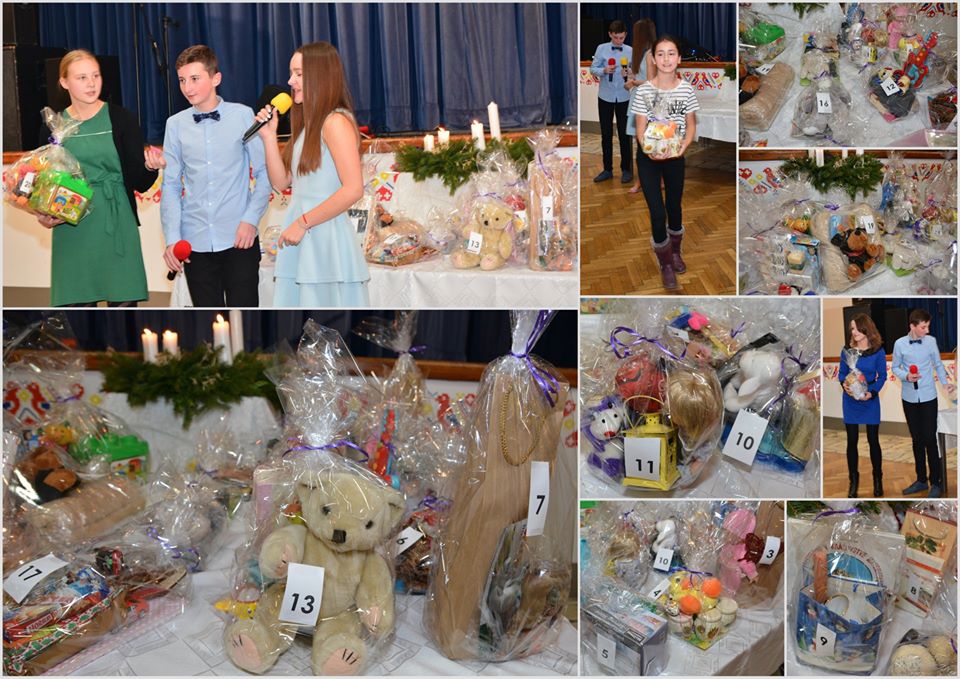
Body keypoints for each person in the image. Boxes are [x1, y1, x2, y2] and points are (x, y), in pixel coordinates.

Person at [36, 50, 159, 306]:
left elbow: (140, 181)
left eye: (96, 75)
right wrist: (43, 212)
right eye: (82, 77)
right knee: (78, 307)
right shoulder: (53, 125)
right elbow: (45, 182)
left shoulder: (122, 118)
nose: (91, 83)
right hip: (72, 223)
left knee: (124, 303)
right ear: (64, 82)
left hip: (117, 220)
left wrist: (150, 167)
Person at [254, 41, 369, 307]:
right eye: (291, 73)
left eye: (298, 74)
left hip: (324, 238)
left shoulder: (335, 122)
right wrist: (269, 137)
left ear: (320, 76)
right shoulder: (308, 126)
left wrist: (303, 222)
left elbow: (353, 188)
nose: (290, 81)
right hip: (304, 235)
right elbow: (281, 182)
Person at [157, 45, 271, 307]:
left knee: (245, 316)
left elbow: (264, 173)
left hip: (239, 239)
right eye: (182, 80)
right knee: (206, 321)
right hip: (194, 243)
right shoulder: (174, 125)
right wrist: (173, 238)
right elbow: (171, 186)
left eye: (195, 78)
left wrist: (250, 220)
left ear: (216, 78)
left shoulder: (243, 115)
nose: (187, 88)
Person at [629, 35, 699, 290]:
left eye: (671, 53)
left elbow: (691, 125)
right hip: (648, 159)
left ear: (679, 58)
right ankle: (666, 263)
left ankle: (676, 252)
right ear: (654, 59)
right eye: (661, 54)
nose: (666, 59)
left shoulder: (686, 89)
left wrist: (683, 146)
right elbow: (640, 130)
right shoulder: (643, 91)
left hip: (675, 158)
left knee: (674, 207)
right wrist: (649, 150)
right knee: (658, 213)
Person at [892, 309, 956, 498]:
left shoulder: (931, 341)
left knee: (930, 439)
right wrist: (906, 376)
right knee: (917, 439)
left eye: (928, 326)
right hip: (909, 398)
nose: (927, 330)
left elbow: (938, 364)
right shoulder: (899, 344)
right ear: (912, 326)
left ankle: (935, 482)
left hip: (929, 397)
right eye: (923, 327)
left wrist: (945, 384)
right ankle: (921, 480)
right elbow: (895, 367)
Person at [838, 314, 887, 498]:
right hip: (850, 400)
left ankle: (877, 479)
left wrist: (871, 393)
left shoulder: (878, 351)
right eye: (852, 328)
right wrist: (845, 385)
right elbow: (842, 374)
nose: (854, 332)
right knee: (852, 441)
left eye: (857, 328)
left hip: (870, 399)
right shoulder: (847, 351)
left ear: (866, 329)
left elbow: (882, 376)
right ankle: (853, 481)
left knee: (873, 440)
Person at [590, 20, 633, 184]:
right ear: (610, 34)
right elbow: (592, 69)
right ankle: (607, 169)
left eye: (621, 38)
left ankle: (626, 169)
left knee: (624, 134)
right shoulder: (601, 48)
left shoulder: (630, 51)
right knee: (606, 134)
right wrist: (604, 70)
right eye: (615, 38)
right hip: (605, 96)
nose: (618, 41)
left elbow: (636, 73)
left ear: (625, 35)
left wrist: (629, 73)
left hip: (624, 96)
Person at [625, 19, 657, 194]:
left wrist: (634, 82)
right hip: (640, 99)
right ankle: (651, 179)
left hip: (645, 102)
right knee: (646, 144)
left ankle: (642, 181)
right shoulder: (647, 53)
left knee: (644, 144)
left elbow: (651, 82)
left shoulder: (650, 54)